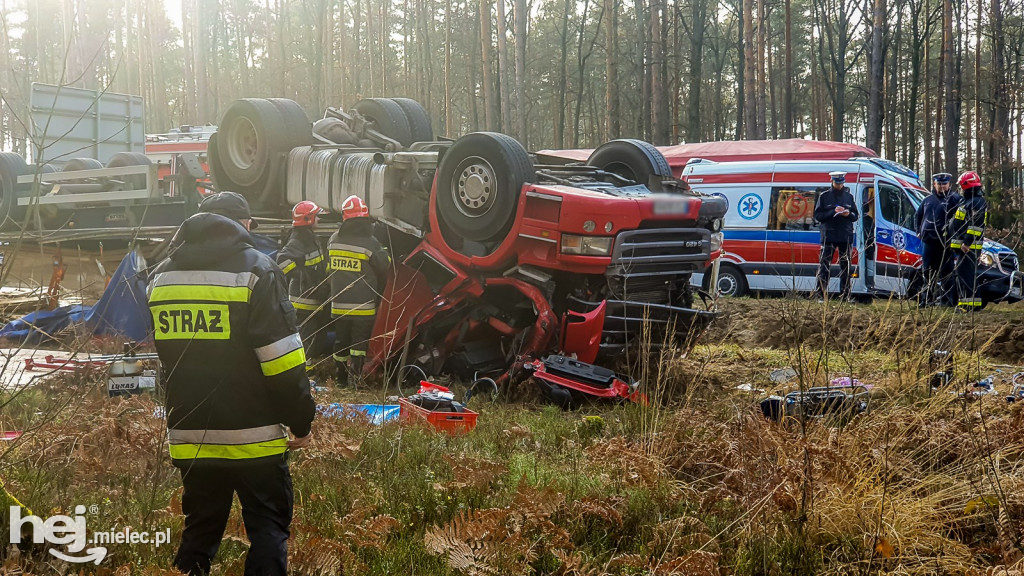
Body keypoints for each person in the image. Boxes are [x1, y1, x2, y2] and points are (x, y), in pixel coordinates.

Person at [147, 191, 315, 576]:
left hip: (191, 434)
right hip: (254, 439)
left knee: (199, 532)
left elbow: (168, 360)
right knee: (268, 529)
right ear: (247, 225)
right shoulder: (258, 270)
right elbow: (283, 362)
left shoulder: (160, 277)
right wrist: (301, 421)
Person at [327, 195, 391, 387]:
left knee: (341, 343)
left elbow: (328, 268)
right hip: (363, 307)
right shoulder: (370, 243)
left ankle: (340, 381)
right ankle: (356, 381)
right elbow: (384, 266)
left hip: (338, 305)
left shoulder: (333, 240)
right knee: (358, 345)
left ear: (345, 219)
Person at [277, 201, 329, 372]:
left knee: (315, 336)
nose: (319, 219)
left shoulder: (310, 238)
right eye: (317, 216)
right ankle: (304, 372)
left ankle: (309, 368)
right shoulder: (298, 241)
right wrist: (303, 276)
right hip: (303, 300)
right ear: (308, 219)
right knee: (306, 337)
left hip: (314, 297)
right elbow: (282, 261)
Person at [813, 171, 859, 300]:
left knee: (846, 267)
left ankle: (845, 295)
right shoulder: (824, 197)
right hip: (829, 236)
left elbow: (856, 216)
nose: (840, 186)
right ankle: (820, 295)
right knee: (825, 267)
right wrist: (832, 212)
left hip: (845, 236)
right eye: (837, 183)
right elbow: (818, 216)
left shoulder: (849, 197)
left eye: (842, 183)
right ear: (832, 182)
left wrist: (847, 214)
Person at [914, 173, 957, 307]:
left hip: (945, 243)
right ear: (934, 184)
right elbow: (918, 216)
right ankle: (926, 300)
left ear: (949, 184)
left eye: (944, 184)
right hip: (929, 242)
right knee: (927, 272)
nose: (942, 186)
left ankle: (947, 301)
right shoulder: (927, 200)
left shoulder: (955, 199)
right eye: (939, 184)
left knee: (947, 273)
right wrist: (918, 232)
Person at [947, 171, 988, 311]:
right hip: (962, 246)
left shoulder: (977, 202)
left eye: (962, 186)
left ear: (967, 185)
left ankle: (969, 306)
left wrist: (967, 243)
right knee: (962, 274)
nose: (960, 189)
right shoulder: (967, 201)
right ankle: (966, 303)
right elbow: (959, 222)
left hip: (969, 247)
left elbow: (976, 226)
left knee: (967, 275)